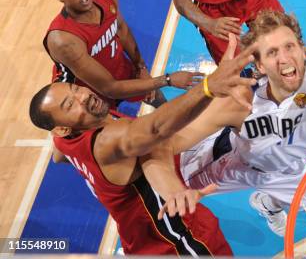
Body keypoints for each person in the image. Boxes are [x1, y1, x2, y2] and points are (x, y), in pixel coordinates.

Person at [164, 10, 306, 236]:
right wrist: (172, 188)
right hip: (237, 166)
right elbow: (166, 144)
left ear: (302, 49)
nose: (284, 58)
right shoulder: (239, 100)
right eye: (272, 52)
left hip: (293, 166)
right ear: (261, 65)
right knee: (173, 192)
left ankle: (266, 204)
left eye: (289, 46)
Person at [29, 35, 256, 255]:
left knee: (228, 109)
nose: (83, 96)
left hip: (141, 244)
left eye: (76, 88)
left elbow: (58, 156)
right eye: (70, 104)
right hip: (177, 242)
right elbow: (155, 129)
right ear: (62, 128)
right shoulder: (105, 142)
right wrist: (209, 86)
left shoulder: (65, 139)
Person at [45, 0, 200, 109]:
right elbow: (109, 88)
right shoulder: (63, 40)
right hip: (87, 91)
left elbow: (122, 29)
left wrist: (141, 68)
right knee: (117, 131)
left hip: (119, 67)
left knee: (155, 95)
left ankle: (173, 118)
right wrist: (167, 80)